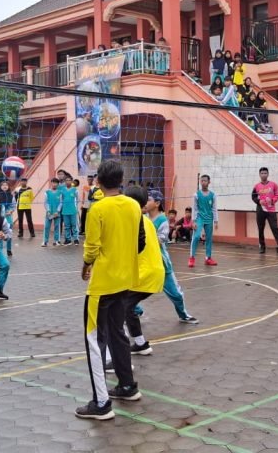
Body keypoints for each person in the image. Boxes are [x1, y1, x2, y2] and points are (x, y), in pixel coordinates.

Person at [76, 160, 146, 420]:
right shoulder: (133, 205)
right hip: (125, 279)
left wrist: (85, 267)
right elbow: (139, 241)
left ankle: (102, 403)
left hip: (103, 284)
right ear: (121, 180)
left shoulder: (98, 209)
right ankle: (128, 387)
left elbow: (91, 247)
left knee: (94, 340)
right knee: (117, 332)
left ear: (99, 182)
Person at [120, 186, 166, 359]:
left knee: (123, 307)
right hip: (151, 271)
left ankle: (121, 352)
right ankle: (140, 344)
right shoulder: (144, 219)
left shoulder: (135, 219)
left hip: (146, 273)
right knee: (126, 307)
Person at [146, 190, 199, 323]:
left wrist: (142, 238)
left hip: (161, 263)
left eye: (148, 199)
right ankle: (134, 311)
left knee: (175, 294)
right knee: (132, 291)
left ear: (157, 203)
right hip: (144, 262)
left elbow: (160, 240)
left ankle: (183, 314)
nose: (145, 202)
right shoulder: (144, 217)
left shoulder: (162, 220)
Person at [252, 167, 278, 254]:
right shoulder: (256, 186)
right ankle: (262, 247)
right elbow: (253, 197)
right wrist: (258, 201)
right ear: (259, 174)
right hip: (260, 210)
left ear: (268, 174)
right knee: (260, 228)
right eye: (262, 173)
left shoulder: (273, 184)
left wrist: (272, 201)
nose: (264, 175)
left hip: (271, 210)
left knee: (275, 228)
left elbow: (277, 195)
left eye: (265, 173)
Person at [189, 174, 218, 267]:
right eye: (202, 180)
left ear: (209, 182)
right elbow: (194, 208)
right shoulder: (196, 195)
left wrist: (216, 221)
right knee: (196, 236)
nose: (203, 182)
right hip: (199, 218)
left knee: (209, 239)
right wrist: (193, 221)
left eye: (205, 180)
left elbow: (214, 208)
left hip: (209, 219)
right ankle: (192, 258)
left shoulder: (213, 195)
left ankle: (208, 258)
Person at [60, 175, 80, 245]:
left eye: (69, 180)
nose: (68, 182)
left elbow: (77, 200)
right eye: (66, 180)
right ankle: (68, 239)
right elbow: (61, 201)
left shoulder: (75, 190)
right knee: (66, 226)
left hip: (73, 210)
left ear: (71, 181)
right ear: (65, 182)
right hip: (65, 210)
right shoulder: (62, 190)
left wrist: (76, 208)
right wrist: (59, 209)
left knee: (74, 225)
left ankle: (76, 239)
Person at [0, 180, 15, 257]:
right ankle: (0, 249)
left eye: (6, 185)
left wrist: (10, 211)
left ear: (8, 187)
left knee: (9, 233)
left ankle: (9, 249)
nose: (4, 186)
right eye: (3, 185)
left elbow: (13, 205)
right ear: (0, 187)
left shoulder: (11, 196)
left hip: (8, 217)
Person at [43, 178, 61, 247]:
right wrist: (48, 210)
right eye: (53, 182)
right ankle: (45, 241)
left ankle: (56, 241)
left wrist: (58, 210)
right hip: (49, 213)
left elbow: (61, 203)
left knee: (56, 227)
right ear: (51, 183)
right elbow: (45, 202)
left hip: (57, 213)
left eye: (56, 183)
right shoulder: (47, 192)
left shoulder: (60, 192)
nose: (54, 184)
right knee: (47, 227)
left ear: (58, 184)